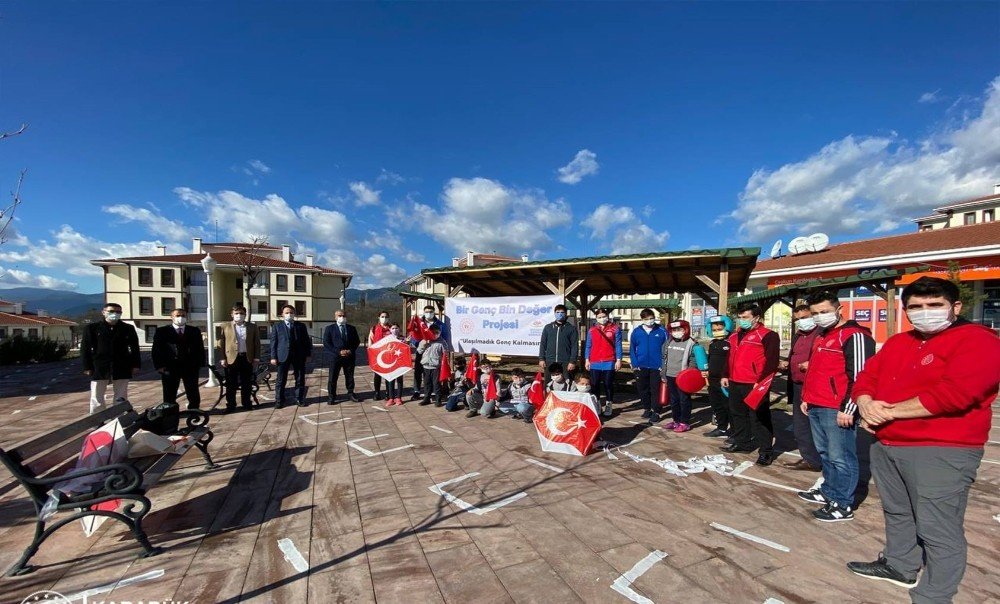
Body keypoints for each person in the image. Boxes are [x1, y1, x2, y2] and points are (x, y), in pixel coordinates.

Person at [846, 277, 1000, 602]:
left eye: (934, 305)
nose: (924, 312)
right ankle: (900, 565)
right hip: (888, 446)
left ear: (955, 307)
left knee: (937, 526)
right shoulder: (900, 342)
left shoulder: (978, 340)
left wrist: (887, 412)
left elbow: (957, 394)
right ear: (905, 310)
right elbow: (866, 377)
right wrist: (864, 403)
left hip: (941, 450)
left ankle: (934, 595)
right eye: (916, 307)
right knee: (898, 512)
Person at [794, 291, 875, 522]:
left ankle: (843, 503)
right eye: (816, 313)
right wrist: (807, 398)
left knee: (841, 457)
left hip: (836, 408)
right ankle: (828, 491)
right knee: (826, 453)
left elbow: (860, 377)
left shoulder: (854, 335)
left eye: (825, 312)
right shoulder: (823, 336)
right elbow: (817, 371)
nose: (820, 317)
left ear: (840, 310)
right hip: (817, 404)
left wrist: (849, 409)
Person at [721, 303, 780, 466]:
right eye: (739, 318)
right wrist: (725, 374)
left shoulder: (768, 335)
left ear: (756, 318)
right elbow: (730, 358)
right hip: (735, 381)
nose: (741, 321)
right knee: (737, 414)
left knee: (759, 418)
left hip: (754, 384)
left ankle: (766, 451)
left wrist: (761, 383)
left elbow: (771, 362)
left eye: (745, 317)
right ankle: (742, 443)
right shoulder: (734, 336)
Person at [781, 304, 823, 471]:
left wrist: (811, 364)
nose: (801, 322)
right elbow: (793, 354)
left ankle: (822, 460)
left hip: (815, 385)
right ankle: (810, 459)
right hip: (798, 384)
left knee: (819, 425)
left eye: (804, 318)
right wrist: (787, 363)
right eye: (798, 319)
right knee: (801, 426)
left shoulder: (821, 333)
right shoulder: (798, 335)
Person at [81, 303, 141, 414]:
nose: (115, 314)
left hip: (122, 365)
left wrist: (136, 365)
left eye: (118, 312)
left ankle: (118, 418)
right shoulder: (92, 328)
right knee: (96, 395)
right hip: (99, 366)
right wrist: (87, 366)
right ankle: (97, 419)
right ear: (103, 312)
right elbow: (85, 349)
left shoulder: (127, 328)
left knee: (121, 395)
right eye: (111, 311)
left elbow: (134, 348)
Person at [151, 308, 206, 410]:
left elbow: (200, 348)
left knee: (192, 391)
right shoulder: (162, 331)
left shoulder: (194, 331)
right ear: (171, 317)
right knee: (169, 392)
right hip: (170, 367)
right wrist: (159, 366)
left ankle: (194, 410)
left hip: (190, 367)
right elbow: (156, 350)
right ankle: (170, 411)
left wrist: (200, 364)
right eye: (177, 315)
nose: (180, 318)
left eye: (183, 315)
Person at [216, 305, 261, 413]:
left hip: (247, 358)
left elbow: (257, 343)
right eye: (236, 313)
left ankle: (247, 403)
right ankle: (231, 405)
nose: (239, 315)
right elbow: (220, 343)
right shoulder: (224, 326)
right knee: (231, 384)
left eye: (241, 313)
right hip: (231, 359)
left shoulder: (252, 326)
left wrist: (256, 358)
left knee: (247, 383)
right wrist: (222, 358)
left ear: (245, 315)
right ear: (232, 314)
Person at [660, 319, 701, 433]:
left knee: (684, 400)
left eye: (679, 329)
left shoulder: (692, 343)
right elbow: (664, 358)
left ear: (685, 330)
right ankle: (676, 420)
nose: (676, 332)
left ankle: (685, 422)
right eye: (674, 330)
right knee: (674, 400)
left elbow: (694, 360)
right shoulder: (669, 342)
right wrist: (663, 373)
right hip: (669, 375)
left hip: (683, 378)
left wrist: (689, 374)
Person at [629, 308, 668, 424]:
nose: (650, 321)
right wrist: (635, 364)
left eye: (651, 318)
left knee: (655, 390)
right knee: (642, 389)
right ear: (642, 319)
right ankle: (647, 408)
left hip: (657, 366)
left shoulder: (662, 331)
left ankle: (656, 411)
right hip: (641, 366)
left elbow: (666, 349)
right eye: (647, 319)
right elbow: (632, 349)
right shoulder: (636, 332)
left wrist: (663, 365)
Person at [270, 304, 312, 408]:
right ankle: (279, 401)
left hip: (299, 356)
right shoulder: (277, 326)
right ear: (282, 314)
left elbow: (306, 341)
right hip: (282, 356)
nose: (289, 314)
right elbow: (273, 343)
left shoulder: (301, 326)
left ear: (294, 314)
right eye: (287, 313)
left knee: (300, 378)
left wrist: (308, 354)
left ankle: (299, 399)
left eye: (291, 312)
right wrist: (273, 357)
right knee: (281, 380)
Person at [585, 308, 622, 418]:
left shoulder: (615, 328)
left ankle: (609, 404)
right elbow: (588, 345)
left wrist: (619, 359)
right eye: (599, 317)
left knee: (608, 384)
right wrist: (587, 359)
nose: (602, 319)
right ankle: (597, 405)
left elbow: (618, 345)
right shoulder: (591, 330)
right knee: (595, 385)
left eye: (604, 316)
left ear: (608, 316)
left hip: (609, 361)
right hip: (595, 361)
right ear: (596, 318)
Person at [409, 306, 448, 400]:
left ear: (434, 312)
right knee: (418, 371)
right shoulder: (419, 323)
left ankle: (434, 392)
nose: (429, 313)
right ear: (424, 312)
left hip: (435, 350)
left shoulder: (440, 324)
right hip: (422, 349)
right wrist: (420, 344)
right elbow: (413, 335)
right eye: (426, 311)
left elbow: (445, 336)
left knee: (435, 373)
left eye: (431, 311)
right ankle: (417, 391)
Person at [703, 316, 733, 438]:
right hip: (712, 380)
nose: (717, 331)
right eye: (714, 329)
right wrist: (706, 371)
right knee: (717, 405)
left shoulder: (731, 342)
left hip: (725, 380)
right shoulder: (712, 343)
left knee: (728, 406)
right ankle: (721, 428)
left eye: (720, 328)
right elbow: (709, 360)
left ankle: (735, 430)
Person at [323, 310, 361, 404]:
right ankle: (331, 396)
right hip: (335, 357)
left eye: (344, 316)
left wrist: (350, 350)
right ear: (335, 317)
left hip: (349, 357)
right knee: (332, 378)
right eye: (339, 316)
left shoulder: (352, 328)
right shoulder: (329, 328)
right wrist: (339, 352)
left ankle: (351, 393)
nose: (342, 317)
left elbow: (356, 341)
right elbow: (327, 343)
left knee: (349, 376)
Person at [538, 304, 579, 383]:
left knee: (567, 383)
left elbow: (574, 346)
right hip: (550, 360)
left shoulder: (571, 328)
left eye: (562, 312)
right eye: (557, 312)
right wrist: (541, 359)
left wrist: (572, 361)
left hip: (565, 361)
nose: (560, 314)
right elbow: (543, 344)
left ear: (566, 314)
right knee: (548, 384)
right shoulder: (548, 327)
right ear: (554, 313)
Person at [418, 324, 449, 406]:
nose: (435, 334)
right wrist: (424, 344)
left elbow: (445, 354)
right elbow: (419, 351)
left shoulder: (442, 342)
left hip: (436, 366)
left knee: (436, 383)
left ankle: (438, 399)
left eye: (437, 332)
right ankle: (427, 398)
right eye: (433, 332)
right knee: (427, 383)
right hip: (426, 365)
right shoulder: (425, 340)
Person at [368, 311, 392, 400]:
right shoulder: (374, 328)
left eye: (386, 316)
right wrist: (372, 354)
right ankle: (377, 393)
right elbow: (371, 342)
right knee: (377, 375)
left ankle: (388, 393)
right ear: (379, 317)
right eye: (382, 316)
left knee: (388, 376)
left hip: (389, 355)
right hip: (377, 355)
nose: (384, 318)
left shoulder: (391, 328)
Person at [384, 323, 408, 407]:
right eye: (393, 328)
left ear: (399, 329)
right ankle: (391, 398)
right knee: (391, 380)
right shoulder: (386, 339)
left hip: (400, 362)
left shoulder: (403, 338)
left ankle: (399, 397)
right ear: (390, 329)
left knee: (399, 380)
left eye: (396, 328)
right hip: (390, 362)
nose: (395, 330)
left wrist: (406, 342)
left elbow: (406, 349)